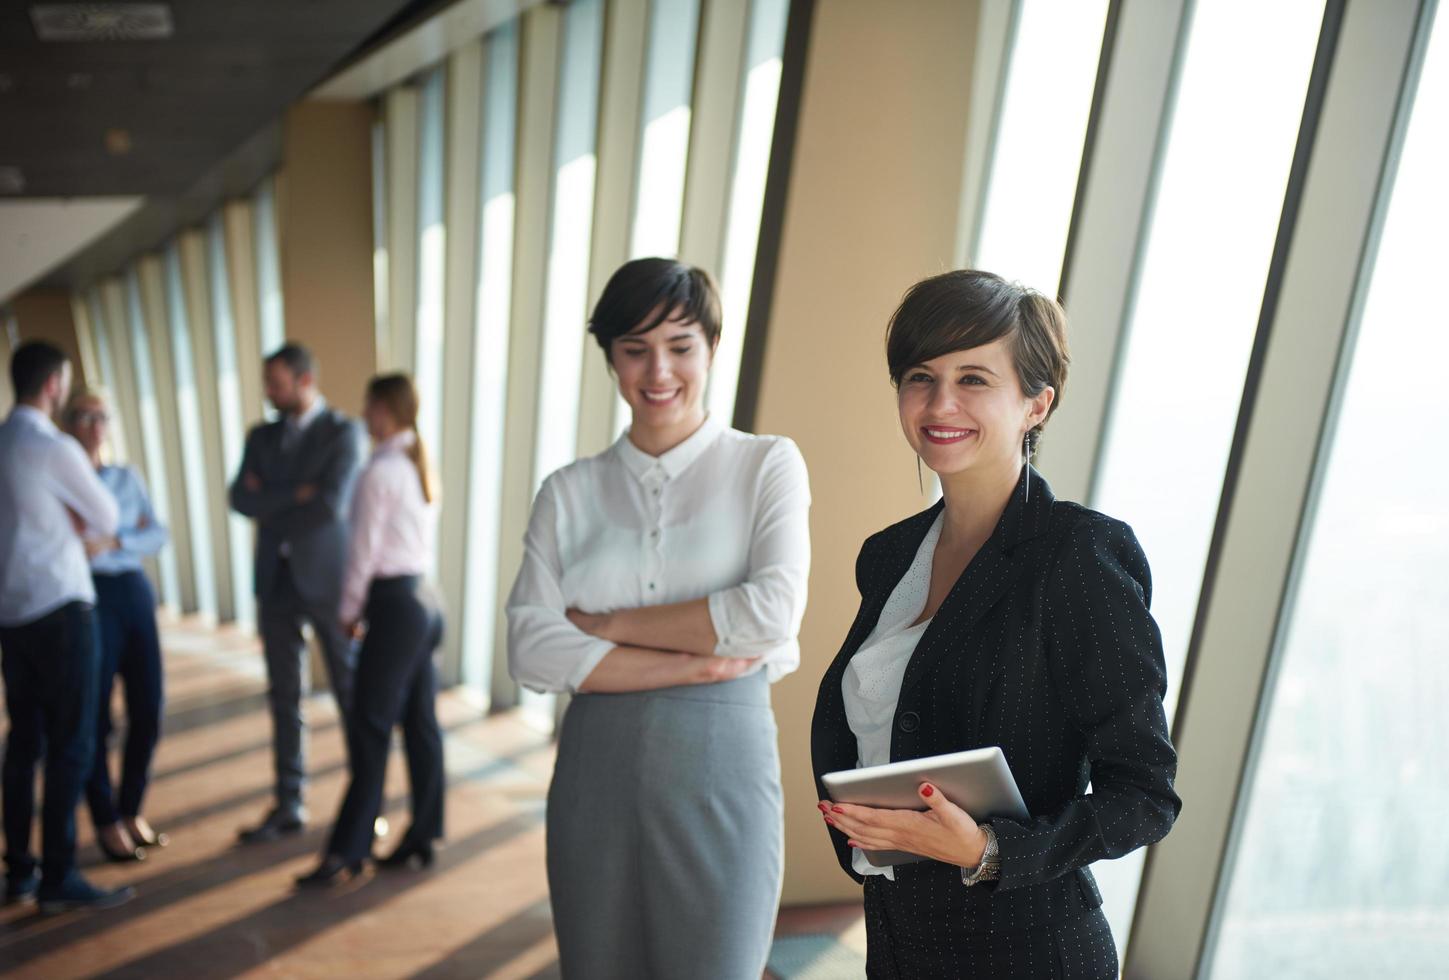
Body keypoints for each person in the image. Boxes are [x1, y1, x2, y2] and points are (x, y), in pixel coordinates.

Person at [811, 271, 1181, 979]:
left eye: (974, 378)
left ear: (1035, 404)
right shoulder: (888, 556)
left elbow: (1144, 794)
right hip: (898, 937)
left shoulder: (1078, 556)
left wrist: (988, 849)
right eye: (920, 376)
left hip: (1028, 950)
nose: (939, 402)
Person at [506, 258, 812, 980]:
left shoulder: (765, 465)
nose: (658, 371)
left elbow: (770, 614)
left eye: (680, 346)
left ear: (710, 347)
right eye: (634, 349)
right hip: (594, 772)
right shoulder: (568, 491)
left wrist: (606, 625)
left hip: (722, 768)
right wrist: (698, 660)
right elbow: (529, 646)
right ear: (609, 357)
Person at [0, 342, 133, 913]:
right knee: (72, 744)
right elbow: (109, 516)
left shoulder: (3, 441)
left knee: (22, 744)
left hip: (13, 612)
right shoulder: (51, 447)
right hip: (60, 606)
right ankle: (59, 876)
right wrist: (75, 517)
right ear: (54, 385)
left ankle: (21, 871)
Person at [297, 373, 444, 886]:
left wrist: (348, 611)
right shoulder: (415, 463)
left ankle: (347, 850)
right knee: (421, 725)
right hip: (425, 601)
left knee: (370, 727)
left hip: (394, 606)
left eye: (368, 403)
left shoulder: (379, 471)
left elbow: (361, 551)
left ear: (385, 409)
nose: (363, 412)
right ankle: (423, 834)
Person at [229, 343, 365, 843]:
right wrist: (294, 492)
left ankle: (363, 806)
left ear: (305, 381)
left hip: (328, 581)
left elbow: (330, 503)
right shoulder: (260, 435)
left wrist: (273, 495)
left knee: (351, 694)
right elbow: (239, 497)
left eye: (276, 383)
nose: (268, 392)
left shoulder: (343, 432)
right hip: (275, 582)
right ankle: (289, 803)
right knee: (284, 696)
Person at [63, 388, 170, 864]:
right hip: (91, 597)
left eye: (101, 415)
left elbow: (157, 533)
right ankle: (106, 820)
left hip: (133, 589)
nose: (94, 424)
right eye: (84, 416)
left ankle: (132, 811)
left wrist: (114, 539)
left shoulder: (126, 476)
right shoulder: (62, 478)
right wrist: (117, 540)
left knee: (149, 706)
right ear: (69, 423)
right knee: (97, 715)